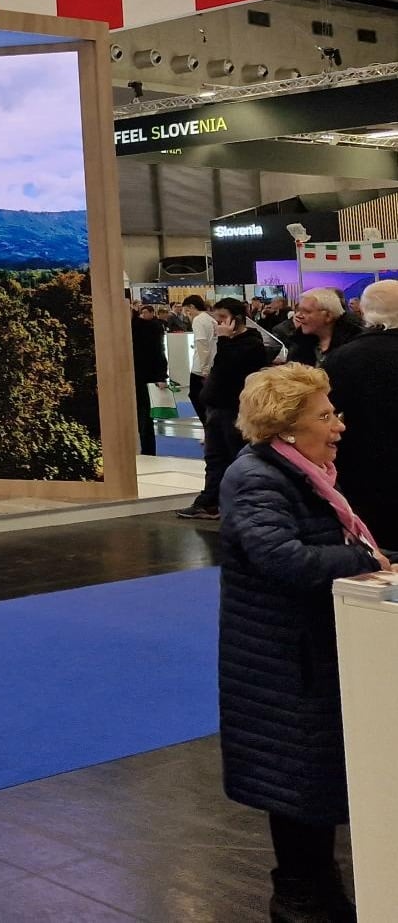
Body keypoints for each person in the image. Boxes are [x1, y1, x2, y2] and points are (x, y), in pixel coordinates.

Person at [218, 363, 386, 923]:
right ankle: (300, 901)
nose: (339, 425)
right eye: (325, 415)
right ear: (287, 426)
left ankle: (315, 894)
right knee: (295, 783)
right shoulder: (256, 477)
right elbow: (282, 559)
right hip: (281, 662)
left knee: (308, 782)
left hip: (301, 655)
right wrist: (363, 559)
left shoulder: (302, 474)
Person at [177, 299, 271, 521]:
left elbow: (229, 369)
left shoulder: (251, 344)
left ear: (236, 319)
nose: (218, 323)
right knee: (214, 457)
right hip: (216, 407)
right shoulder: (230, 342)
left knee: (234, 456)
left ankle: (239, 502)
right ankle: (210, 501)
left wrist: (224, 340)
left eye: (222, 318)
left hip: (233, 409)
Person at [321, 278, 398, 552]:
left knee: (375, 550)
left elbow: (324, 411)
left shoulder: (344, 357)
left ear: (363, 312)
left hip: (365, 469)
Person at [287, 288, 362, 367]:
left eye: (307, 311)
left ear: (328, 316)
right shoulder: (300, 344)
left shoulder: (357, 346)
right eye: (298, 310)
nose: (298, 316)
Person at [131, 300, 168, 456]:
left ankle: (147, 452)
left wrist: (161, 376)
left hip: (144, 377)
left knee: (145, 417)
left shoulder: (151, 327)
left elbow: (159, 352)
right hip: (132, 377)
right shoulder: (138, 326)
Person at [183, 294, 217, 410]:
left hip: (200, 368)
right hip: (212, 363)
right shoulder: (211, 319)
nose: (187, 314)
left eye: (187, 311)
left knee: (196, 397)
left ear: (192, 307)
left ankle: (205, 420)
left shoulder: (198, 320)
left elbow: (203, 345)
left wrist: (204, 368)